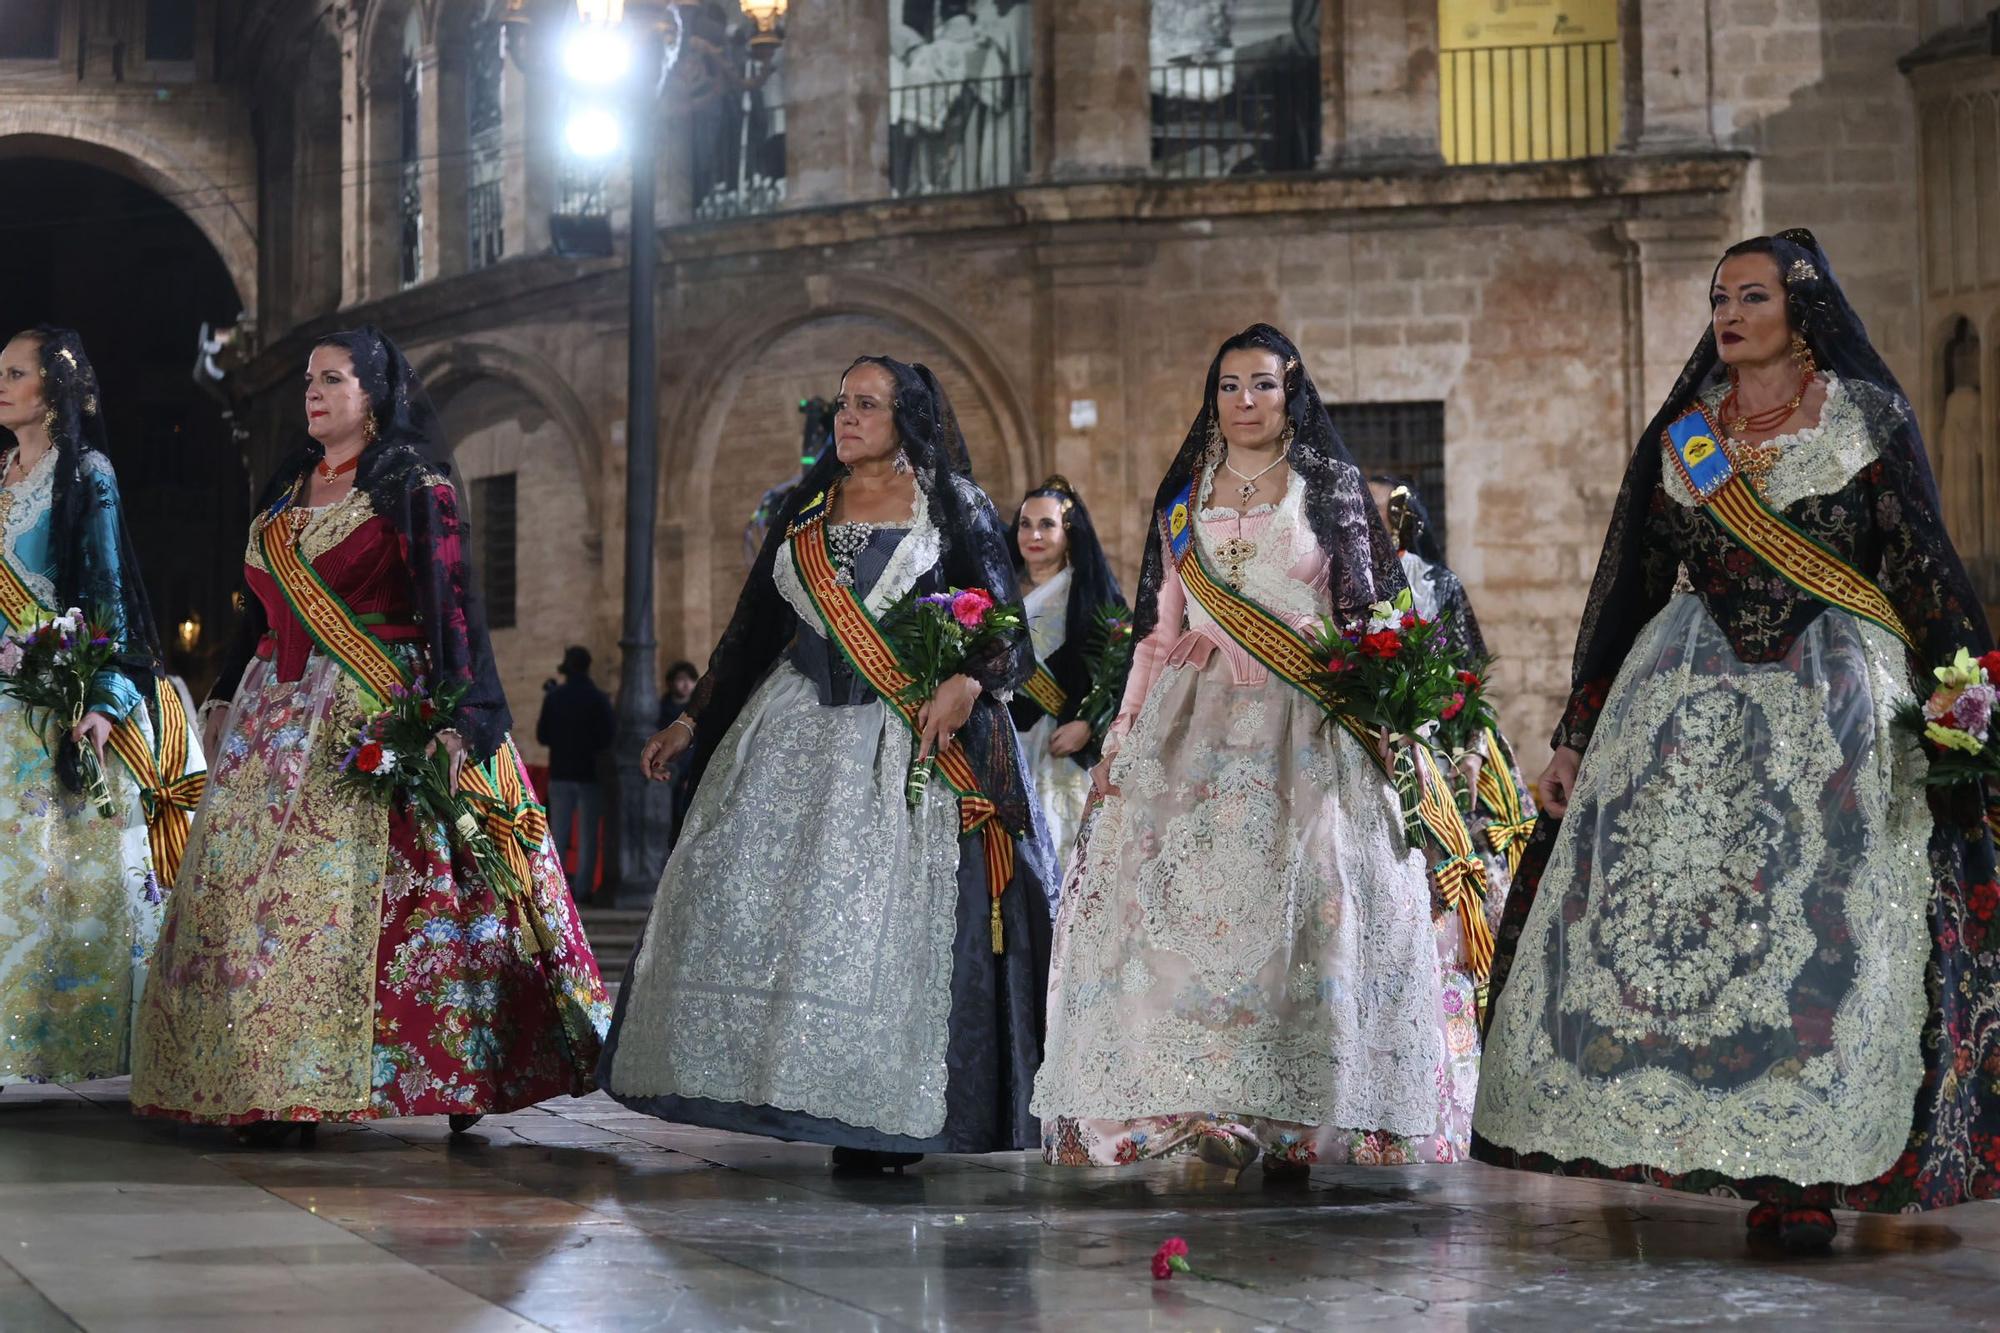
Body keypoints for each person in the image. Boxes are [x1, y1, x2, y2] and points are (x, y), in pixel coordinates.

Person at [1472, 230, 2000, 1251]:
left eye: (1751, 295)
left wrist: (1962, 705)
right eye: (1719, 295)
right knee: (1688, 927)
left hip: (1838, 705)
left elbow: (1924, 568)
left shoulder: (1860, 423)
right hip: (1683, 708)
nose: (1728, 312)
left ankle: (1805, 1169)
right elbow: (1625, 592)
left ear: (1800, 314)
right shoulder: (1683, 440)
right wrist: (1575, 737)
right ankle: (1691, 1137)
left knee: (1823, 931)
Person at [130, 326, 609, 1143]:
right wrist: (220, 692)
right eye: (310, 381)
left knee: (365, 894)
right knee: (252, 901)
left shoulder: (413, 485)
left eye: (336, 380)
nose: (314, 393)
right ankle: (258, 1075)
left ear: (376, 393)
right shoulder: (285, 489)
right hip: (266, 728)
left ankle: (427, 1070)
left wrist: (463, 721)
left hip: (367, 708)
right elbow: (255, 610)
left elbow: (452, 607)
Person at [1031, 323, 1485, 1175]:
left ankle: (1293, 1119)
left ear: (1292, 392)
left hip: (1306, 728)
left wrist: (1396, 722)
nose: (1245, 401)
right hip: (1188, 727)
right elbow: (1158, 633)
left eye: (1263, 385)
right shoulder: (1183, 497)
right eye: (1230, 386)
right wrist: (1124, 739)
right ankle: (1194, 1104)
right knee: (1169, 914)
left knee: (1307, 918)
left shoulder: (1331, 486)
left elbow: (1372, 613)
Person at [599, 355, 1055, 1173]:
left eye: (867, 405)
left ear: (906, 418)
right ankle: (778, 1089)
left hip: (905, 742)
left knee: (872, 919)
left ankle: (876, 1117)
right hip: (791, 731)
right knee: (753, 894)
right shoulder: (805, 509)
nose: (847, 418)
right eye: (842, 404)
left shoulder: (954, 506)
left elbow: (1008, 636)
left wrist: (962, 681)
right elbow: (751, 629)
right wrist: (691, 718)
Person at [0, 327, 203, 1089]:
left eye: (15, 373)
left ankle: (56, 1043)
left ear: (53, 390)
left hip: (51, 714)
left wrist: (108, 704)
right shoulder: (0, 478)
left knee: (51, 890)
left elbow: (110, 605)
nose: (2, 384)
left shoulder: (88, 475)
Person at [1007, 475, 1126, 866]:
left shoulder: (1089, 595)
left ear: (1068, 533)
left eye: (1046, 525)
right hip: (1005, 743)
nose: (1033, 535)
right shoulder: (997, 592)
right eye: (1025, 524)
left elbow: (1121, 668)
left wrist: (1089, 724)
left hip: (1062, 749)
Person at [537, 645, 615, 898]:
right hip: (589, 773)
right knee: (588, 838)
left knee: (558, 834)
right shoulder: (598, 698)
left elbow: (543, 735)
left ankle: (555, 891)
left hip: (561, 772)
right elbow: (608, 737)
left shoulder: (555, 697)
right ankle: (582, 890)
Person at [656, 658, 699, 846]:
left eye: (690, 679)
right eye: (681, 679)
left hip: (689, 771)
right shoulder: (659, 709)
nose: (686, 684)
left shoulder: (699, 712)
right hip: (666, 772)